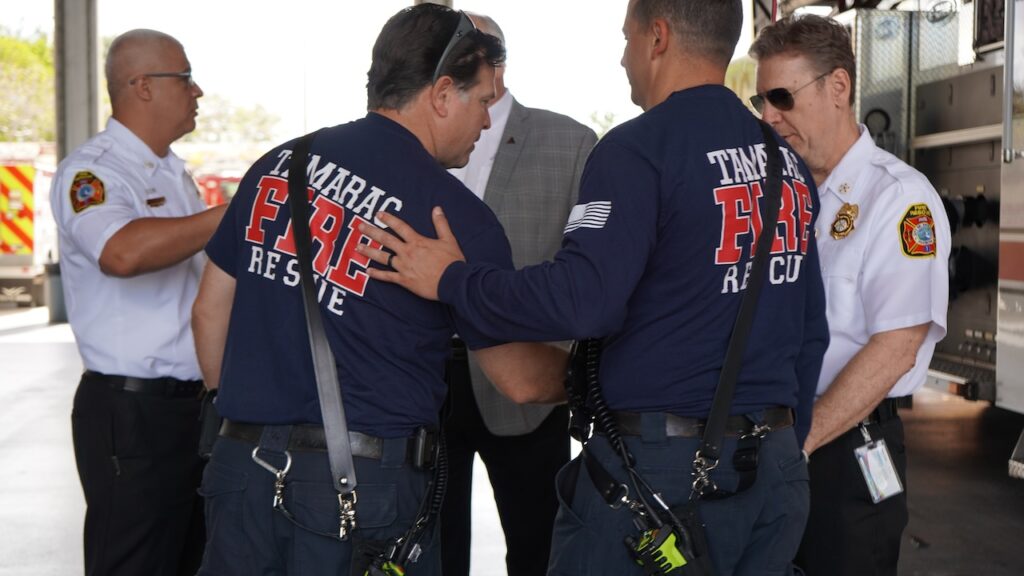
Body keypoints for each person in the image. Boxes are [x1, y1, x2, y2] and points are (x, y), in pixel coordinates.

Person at [356, 1, 829, 574]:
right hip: (773, 476)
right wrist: (787, 450)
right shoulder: (786, 164)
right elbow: (810, 333)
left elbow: (585, 300)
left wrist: (455, 280)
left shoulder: (637, 150)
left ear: (657, 37)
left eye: (626, 38)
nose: (623, 56)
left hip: (660, 481)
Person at [190, 5, 567, 576]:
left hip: (240, 471)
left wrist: (245, 423)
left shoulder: (278, 166)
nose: (488, 122)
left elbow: (209, 311)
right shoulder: (454, 217)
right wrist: (601, 375)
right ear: (443, 93)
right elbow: (518, 380)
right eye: (484, 101)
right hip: (359, 493)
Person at [749, 14, 950, 576]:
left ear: (838, 87)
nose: (769, 115)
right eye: (760, 100)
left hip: (840, 449)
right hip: (770, 446)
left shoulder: (900, 199)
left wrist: (798, 444)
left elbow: (897, 347)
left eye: (782, 97)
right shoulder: (778, 197)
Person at [50, 28, 223, 576]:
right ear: (142, 86)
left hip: (190, 409)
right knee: (135, 561)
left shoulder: (172, 171)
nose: (198, 92)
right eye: (186, 78)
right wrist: (233, 214)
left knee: (191, 558)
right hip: (133, 414)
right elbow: (120, 253)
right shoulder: (93, 173)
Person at [440, 12, 598, 576]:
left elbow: (590, 270)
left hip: (528, 382)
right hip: (422, 381)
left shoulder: (572, 142)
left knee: (539, 550)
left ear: (496, 62)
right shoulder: (411, 140)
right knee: (431, 549)